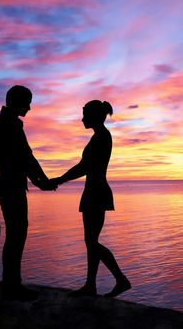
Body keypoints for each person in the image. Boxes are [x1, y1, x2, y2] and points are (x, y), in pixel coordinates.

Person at [51, 100, 131, 297]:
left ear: (95, 116)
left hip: (96, 192)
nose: (82, 119)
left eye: (85, 114)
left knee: (92, 241)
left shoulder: (102, 137)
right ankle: (91, 285)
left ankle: (121, 280)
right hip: (93, 191)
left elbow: (84, 166)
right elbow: (84, 165)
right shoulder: (99, 136)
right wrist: (60, 179)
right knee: (91, 240)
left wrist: (60, 179)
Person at [0, 85, 56, 301]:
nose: (29, 107)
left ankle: (11, 284)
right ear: (16, 101)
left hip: (9, 185)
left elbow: (24, 158)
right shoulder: (9, 124)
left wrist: (40, 181)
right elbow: (25, 157)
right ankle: (12, 287)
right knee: (16, 236)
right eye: (27, 102)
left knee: (15, 235)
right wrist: (42, 182)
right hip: (10, 187)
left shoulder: (6, 122)